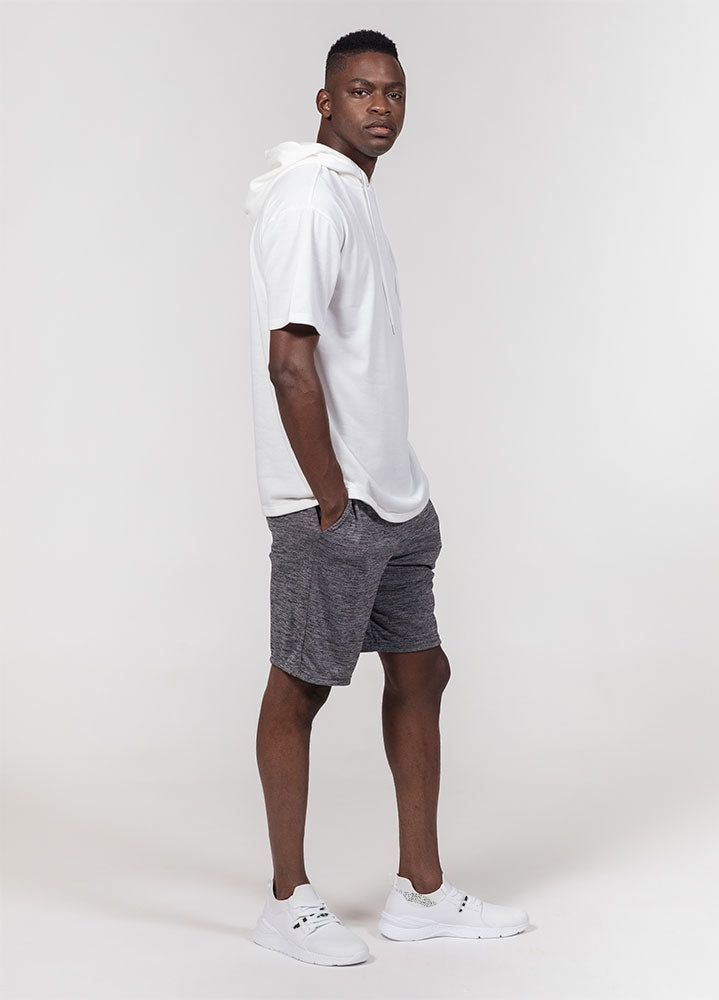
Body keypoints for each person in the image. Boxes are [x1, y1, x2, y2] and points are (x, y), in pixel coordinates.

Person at [243, 28, 529, 967]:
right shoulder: (308, 199)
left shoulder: (355, 196)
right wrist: (330, 499)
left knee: (421, 672)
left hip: (394, 496)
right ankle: (286, 901)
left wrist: (381, 489)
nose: (382, 107)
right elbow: (290, 363)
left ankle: (422, 892)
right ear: (325, 102)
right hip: (336, 501)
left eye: (394, 92)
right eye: (362, 91)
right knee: (301, 684)